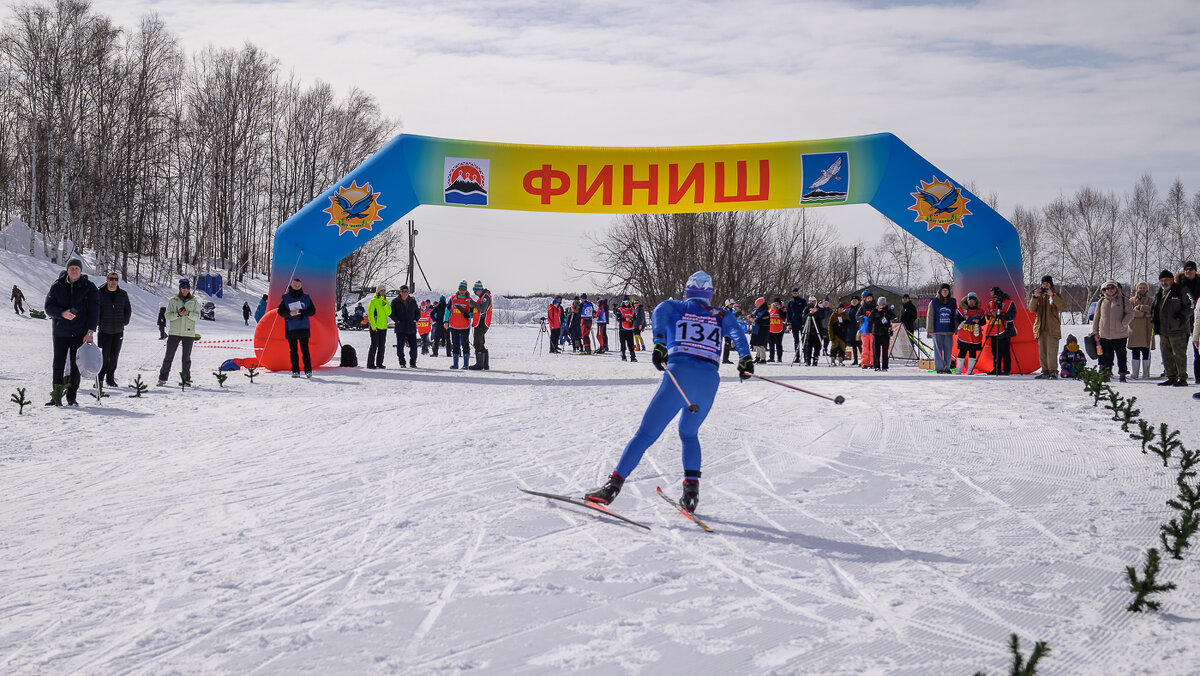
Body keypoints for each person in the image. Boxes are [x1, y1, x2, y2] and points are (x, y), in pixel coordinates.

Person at [584, 271, 753, 512]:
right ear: (709, 294)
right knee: (689, 433)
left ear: (687, 291)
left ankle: (612, 487)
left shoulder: (677, 307)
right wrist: (745, 358)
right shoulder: (720, 314)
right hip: (708, 381)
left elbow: (660, 311)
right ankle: (691, 493)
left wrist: (660, 344)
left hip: (679, 376)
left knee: (645, 435)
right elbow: (736, 331)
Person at [44, 258, 99, 405]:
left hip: (79, 333)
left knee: (76, 366)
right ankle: (56, 396)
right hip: (60, 332)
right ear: (67, 270)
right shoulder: (57, 286)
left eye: (77, 268)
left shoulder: (89, 287)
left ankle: (71, 397)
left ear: (81, 271)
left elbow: (94, 311)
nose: (74, 271)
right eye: (71, 268)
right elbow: (48, 307)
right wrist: (62, 313)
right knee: (58, 365)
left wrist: (90, 332)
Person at [1153, 269, 1194, 387]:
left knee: (1179, 355)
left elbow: (1191, 305)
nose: (1164, 283)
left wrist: (1181, 315)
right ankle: (1171, 377)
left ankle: (1182, 378)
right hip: (1163, 329)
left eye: (1166, 280)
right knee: (1166, 355)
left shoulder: (1181, 290)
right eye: (1162, 280)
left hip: (1178, 329)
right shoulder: (1160, 293)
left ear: (1172, 280)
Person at [157, 278, 198, 386]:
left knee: (186, 359)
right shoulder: (173, 300)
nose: (185, 290)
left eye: (187, 288)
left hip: (188, 333)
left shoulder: (193, 301)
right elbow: (167, 315)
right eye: (183, 287)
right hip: (174, 332)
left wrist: (188, 313)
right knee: (168, 357)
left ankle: (186, 380)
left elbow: (197, 316)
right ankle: (162, 379)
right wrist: (178, 314)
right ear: (180, 288)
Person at [1091, 279, 1133, 382]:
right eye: (1107, 288)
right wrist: (1095, 332)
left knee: (1121, 355)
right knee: (1107, 356)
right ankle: (1106, 374)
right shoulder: (1101, 301)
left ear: (1116, 288)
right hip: (1105, 334)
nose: (1110, 290)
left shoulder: (1123, 300)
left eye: (1112, 287)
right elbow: (1097, 317)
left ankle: (1122, 373)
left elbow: (1130, 313)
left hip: (1120, 334)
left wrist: (1124, 323)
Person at [96, 271, 132, 387]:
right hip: (104, 330)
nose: (113, 281)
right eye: (111, 279)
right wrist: (98, 322)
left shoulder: (123, 294)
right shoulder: (100, 293)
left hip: (118, 331)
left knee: (114, 356)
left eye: (116, 279)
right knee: (103, 356)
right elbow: (95, 309)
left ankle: (110, 379)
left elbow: (128, 309)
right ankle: (99, 379)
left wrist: (124, 322)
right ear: (107, 280)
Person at [278, 277, 317, 377]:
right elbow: (280, 312)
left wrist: (303, 312)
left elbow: (313, 311)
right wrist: (289, 313)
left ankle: (308, 370)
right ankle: (295, 371)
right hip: (291, 328)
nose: (297, 286)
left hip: (304, 327)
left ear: (301, 285)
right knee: (293, 351)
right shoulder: (285, 298)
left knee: (305, 350)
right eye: (295, 284)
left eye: (298, 285)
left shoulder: (306, 297)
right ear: (291, 285)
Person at [1027, 276, 1061, 379]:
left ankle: (1053, 371)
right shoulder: (1039, 296)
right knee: (1042, 352)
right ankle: (1045, 371)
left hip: (1052, 328)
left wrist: (1052, 296)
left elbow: (1061, 306)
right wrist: (1034, 297)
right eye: (1043, 283)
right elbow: (1031, 309)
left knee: (1052, 351)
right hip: (1040, 328)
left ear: (1051, 284)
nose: (1045, 285)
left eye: (1047, 283)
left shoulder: (1056, 295)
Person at [985, 287, 1017, 375]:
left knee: (1005, 351)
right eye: (992, 296)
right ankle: (996, 369)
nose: (993, 299)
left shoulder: (1009, 303)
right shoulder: (991, 303)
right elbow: (988, 316)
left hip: (1004, 330)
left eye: (994, 296)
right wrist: (989, 314)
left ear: (999, 295)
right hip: (993, 330)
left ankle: (1006, 369)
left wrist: (999, 315)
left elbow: (1011, 316)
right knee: (995, 352)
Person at [926, 284, 957, 374]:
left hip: (948, 330)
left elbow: (955, 316)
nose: (945, 292)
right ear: (940, 291)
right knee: (938, 350)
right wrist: (930, 329)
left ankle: (947, 367)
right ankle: (939, 367)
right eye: (943, 290)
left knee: (948, 350)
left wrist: (956, 329)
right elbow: (930, 316)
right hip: (937, 330)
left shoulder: (953, 302)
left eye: (947, 290)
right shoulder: (934, 302)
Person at [1178, 261, 1200, 384]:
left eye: (1191, 269)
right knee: (1181, 351)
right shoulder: (1179, 284)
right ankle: (1181, 376)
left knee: (1198, 350)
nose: (1188, 271)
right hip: (1183, 320)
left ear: (1195, 271)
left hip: (1198, 319)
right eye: (1186, 269)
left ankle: (1199, 377)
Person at [1129, 281, 1155, 380]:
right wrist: (1145, 313)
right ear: (1137, 289)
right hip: (1135, 329)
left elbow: (1153, 312)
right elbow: (1131, 313)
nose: (1142, 290)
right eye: (1140, 288)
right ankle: (1135, 373)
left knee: (1146, 351)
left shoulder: (1151, 300)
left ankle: (1146, 373)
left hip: (1147, 328)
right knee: (1135, 350)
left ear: (1147, 289)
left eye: (1144, 288)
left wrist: (1141, 308)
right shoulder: (1131, 300)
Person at [446, 281, 474, 369]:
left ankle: (465, 364)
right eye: (460, 289)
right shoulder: (452, 298)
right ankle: (455, 364)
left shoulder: (469, 300)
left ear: (466, 290)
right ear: (458, 289)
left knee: (465, 344)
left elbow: (473, 312)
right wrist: (445, 321)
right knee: (455, 344)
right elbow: (447, 311)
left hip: (465, 326)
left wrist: (469, 315)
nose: (462, 291)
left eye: (463, 290)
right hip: (454, 325)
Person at [391, 284, 420, 368]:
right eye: (403, 291)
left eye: (406, 291)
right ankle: (402, 362)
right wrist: (397, 320)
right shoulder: (395, 302)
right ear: (400, 292)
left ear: (408, 292)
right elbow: (391, 313)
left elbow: (417, 312)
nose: (404, 293)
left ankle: (413, 363)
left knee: (414, 346)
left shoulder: (413, 301)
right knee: (400, 346)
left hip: (411, 327)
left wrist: (416, 319)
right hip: (400, 327)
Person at [956, 292, 985, 374]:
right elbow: (957, 319)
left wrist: (978, 321)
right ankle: (958, 370)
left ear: (976, 301)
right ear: (967, 301)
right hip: (964, 336)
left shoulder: (980, 311)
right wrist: (965, 319)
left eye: (973, 300)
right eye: (970, 300)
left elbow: (983, 322)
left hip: (975, 337)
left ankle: (970, 371)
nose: (971, 302)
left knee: (973, 353)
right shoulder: (961, 310)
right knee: (962, 352)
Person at [467, 281, 493, 370]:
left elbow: (483, 309)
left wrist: (472, 303)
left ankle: (479, 364)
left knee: (477, 342)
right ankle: (485, 364)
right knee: (480, 342)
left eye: (475, 291)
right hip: (480, 322)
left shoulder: (485, 297)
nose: (475, 293)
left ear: (480, 290)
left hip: (482, 322)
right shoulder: (482, 297)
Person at [366, 284, 390, 369]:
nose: (383, 292)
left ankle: (379, 363)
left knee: (382, 345)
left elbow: (389, 313)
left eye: (384, 290)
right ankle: (370, 364)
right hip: (375, 327)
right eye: (381, 290)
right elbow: (370, 315)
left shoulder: (385, 301)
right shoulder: (373, 301)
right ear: (378, 291)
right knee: (374, 345)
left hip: (383, 326)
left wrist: (385, 305)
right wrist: (373, 326)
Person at [870, 295, 896, 371]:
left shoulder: (887, 310)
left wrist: (886, 311)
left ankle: (885, 366)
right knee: (876, 351)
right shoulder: (875, 310)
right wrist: (875, 311)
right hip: (876, 333)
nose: (882, 305)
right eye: (881, 304)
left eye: (883, 304)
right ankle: (876, 366)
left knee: (885, 350)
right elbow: (870, 319)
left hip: (885, 333)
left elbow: (893, 317)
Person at [786, 288, 807, 358]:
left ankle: (805, 356)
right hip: (794, 323)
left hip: (802, 323)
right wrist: (789, 323)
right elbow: (788, 313)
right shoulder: (790, 302)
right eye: (794, 293)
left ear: (798, 293)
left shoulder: (802, 301)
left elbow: (806, 311)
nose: (795, 294)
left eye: (796, 293)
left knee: (804, 340)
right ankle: (797, 356)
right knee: (796, 341)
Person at [617, 296, 638, 361]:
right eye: (625, 302)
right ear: (623, 302)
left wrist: (632, 319)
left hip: (630, 329)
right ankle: (623, 355)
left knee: (631, 344)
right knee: (623, 344)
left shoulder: (632, 309)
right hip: (622, 329)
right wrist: (625, 319)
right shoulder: (620, 309)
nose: (627, 303)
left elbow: (635, 317)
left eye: (628, 302)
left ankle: (633, 357)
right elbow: (618, 318)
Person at [749, 296, 770, 363]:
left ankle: (763, 358)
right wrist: (751, 317)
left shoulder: (765, 312)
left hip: (762, 330)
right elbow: (754, 316)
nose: (756, 305)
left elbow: (764, 321)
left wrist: (755, 320)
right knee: (756, 344)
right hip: (756, 330)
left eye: (757, 304)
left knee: (761, 344)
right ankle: (757, 357)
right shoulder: (757, 311)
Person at [859, 291, 875, 369]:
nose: (869, 299)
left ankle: (873, 362)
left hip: (873, 329)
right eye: (868, 298)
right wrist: (862, 317)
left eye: (870, 298)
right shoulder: (862, 307)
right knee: (865, 347)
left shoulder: (875, 306)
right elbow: (857, 316)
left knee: (873, 347)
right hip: (865, 330)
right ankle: (864, 363)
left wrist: (872, 316)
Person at [802, 302, 822, 366]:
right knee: (808, 346)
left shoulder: (820, 308)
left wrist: (816, 312)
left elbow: (822, 316)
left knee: (817, 346)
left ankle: (815, 360)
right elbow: (804, 318)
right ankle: (808, 360)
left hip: (818, 330)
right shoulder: (806, 308)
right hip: (809, 330)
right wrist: (810, 313)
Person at [845, 295, 861, 365]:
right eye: (853, 300)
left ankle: (864, 360)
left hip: (858, 329)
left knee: (860, 346)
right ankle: (855, 360)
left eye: (856, 301)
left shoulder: (860, 309)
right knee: (854, 346)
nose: (854, 302)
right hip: (850, 330)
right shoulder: (848, 309)